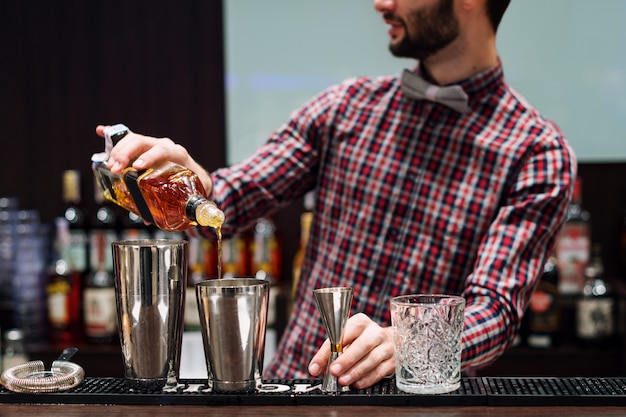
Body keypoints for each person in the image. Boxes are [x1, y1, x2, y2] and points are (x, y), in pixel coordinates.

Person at [98, 0, 575, 390]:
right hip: (295, 391)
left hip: (413, 402)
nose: (381, 4)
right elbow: (234, 198)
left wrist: (402, 340)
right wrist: (187, 177)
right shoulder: (345, 108)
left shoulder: (536, 152)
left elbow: (495, 309)